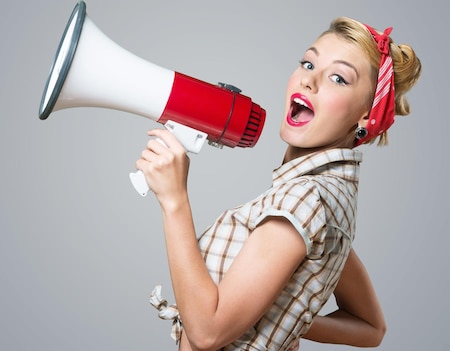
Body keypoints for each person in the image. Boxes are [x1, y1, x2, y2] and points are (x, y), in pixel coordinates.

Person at [136, 17, 421, 351]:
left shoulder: (303, 201)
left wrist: (174, 201)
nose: (309, 81)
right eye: (308, 62)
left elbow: (207, 333)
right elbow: (371, 328)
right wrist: (279, 314)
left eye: (338, 78)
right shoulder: (328, 201)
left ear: (365, 115)